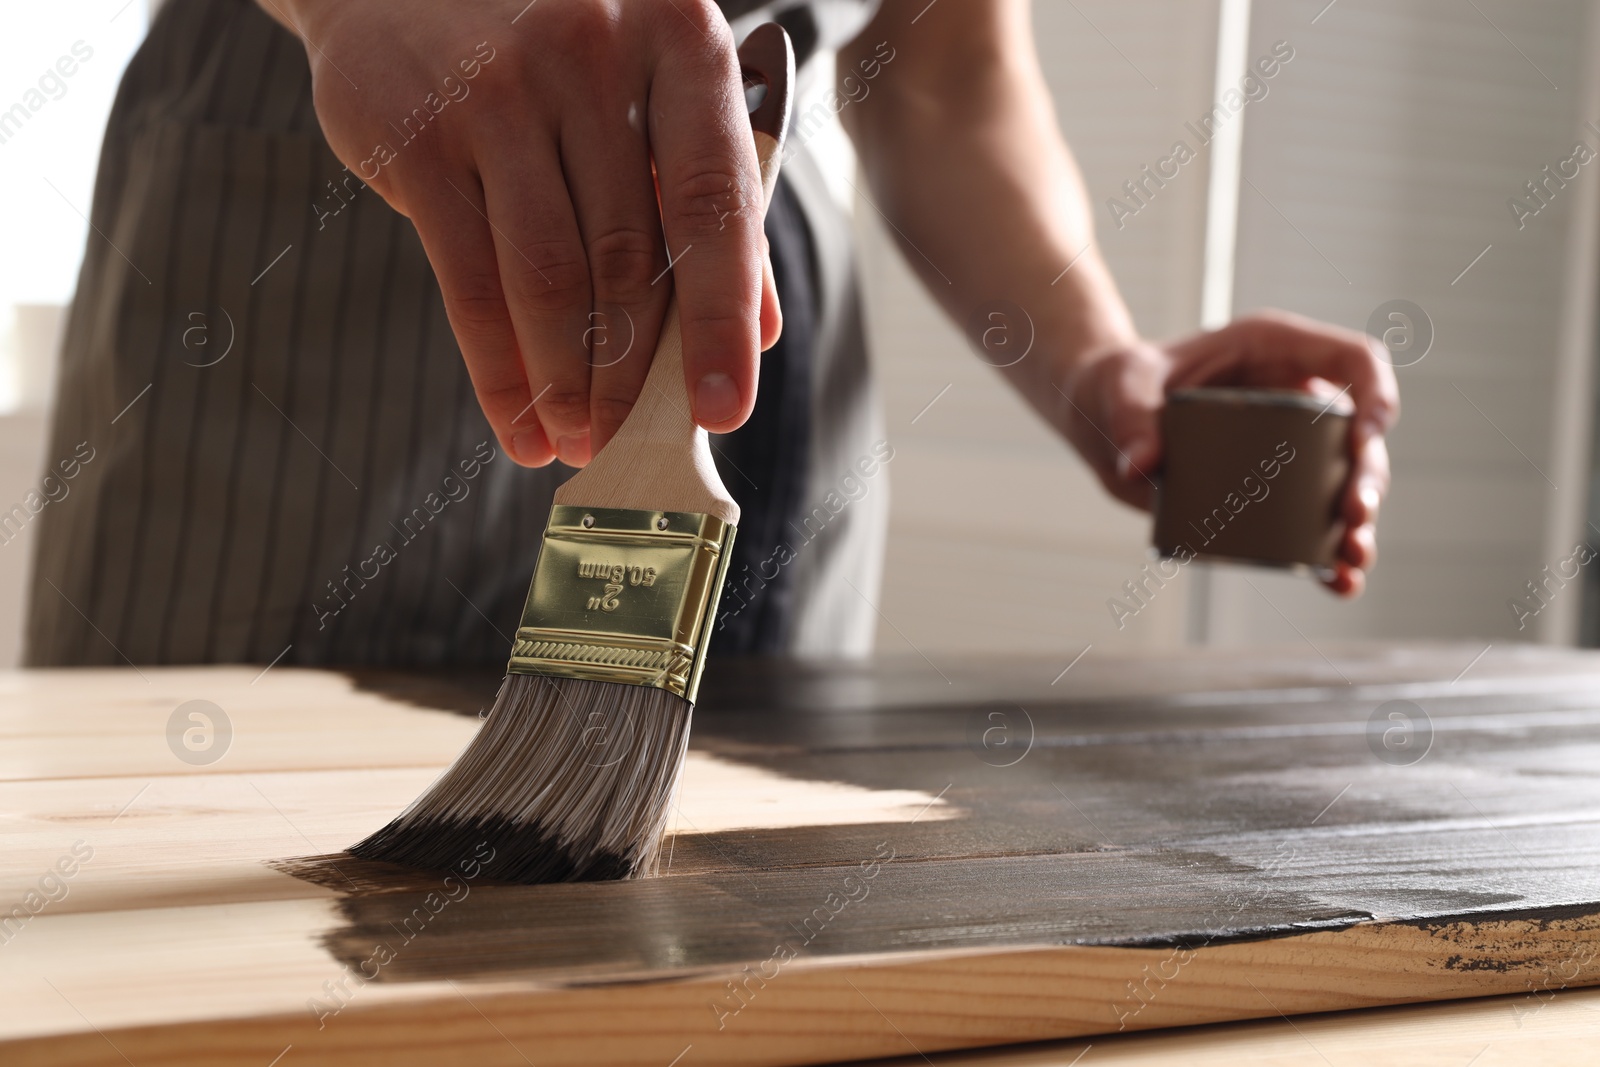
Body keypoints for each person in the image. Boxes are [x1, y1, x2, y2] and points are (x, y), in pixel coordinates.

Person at [25, 0, 1395, 668]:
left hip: (762, 348)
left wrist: (1104, 363)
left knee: (718, 946)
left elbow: (947, 68)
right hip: (319, 266)